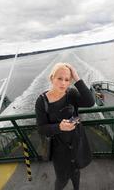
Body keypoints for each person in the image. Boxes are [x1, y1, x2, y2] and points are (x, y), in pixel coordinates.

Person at [35, 62, 95, 190]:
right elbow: (41, 128)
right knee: (62, 179)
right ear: (52, 78)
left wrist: (76, 77)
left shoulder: (71, 94)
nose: (63, 83)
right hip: (59, 150)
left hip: (77, 142)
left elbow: (90, 102)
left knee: (76, 171)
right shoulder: (42, 101)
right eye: (59, 78)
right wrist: (59, 127)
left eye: (67, 79)